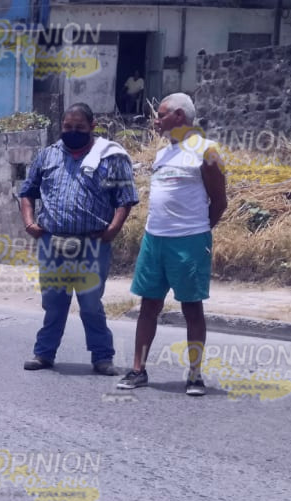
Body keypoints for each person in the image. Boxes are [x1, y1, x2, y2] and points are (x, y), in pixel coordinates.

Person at [118, 93, 227, 396]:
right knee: (148, 305)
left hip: (189, 242)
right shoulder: (162, 155)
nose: (155, 120)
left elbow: (219, 202)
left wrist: (196, 232)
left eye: (161, 114)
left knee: (191, 307)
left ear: (179, 116)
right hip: (154, 240)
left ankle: (194, 375)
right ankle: (138, 370)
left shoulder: (207, 150)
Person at [19, 103, 138, 375]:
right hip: (52, 242)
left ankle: (102, 357)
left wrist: (113, 229)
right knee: (53, 303)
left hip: (92, 245)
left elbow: (125, 199)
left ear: (92, 126)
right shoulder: (47, 155)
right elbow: (27, 191)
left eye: (79, 127)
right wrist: (29, 222)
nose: (72, 131)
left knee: (91, 304)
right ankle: (44, 353)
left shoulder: (110, 157)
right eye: (67, 127)